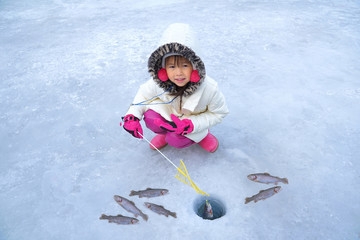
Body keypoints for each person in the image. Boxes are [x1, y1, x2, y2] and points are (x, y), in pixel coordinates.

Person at [122, 23, 229, 153]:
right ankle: (164, 134)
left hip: (193, 125)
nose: (178, 73)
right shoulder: (157, 83)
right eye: (172, 67)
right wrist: (132, 116)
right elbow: (142, 98)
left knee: (176, 140)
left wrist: (192, 125)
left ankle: (202, 136)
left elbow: (218, 113)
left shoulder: (210, 88)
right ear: (163, 70)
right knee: (151, 118)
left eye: (184, 65)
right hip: (170, 118)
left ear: (195, 67)